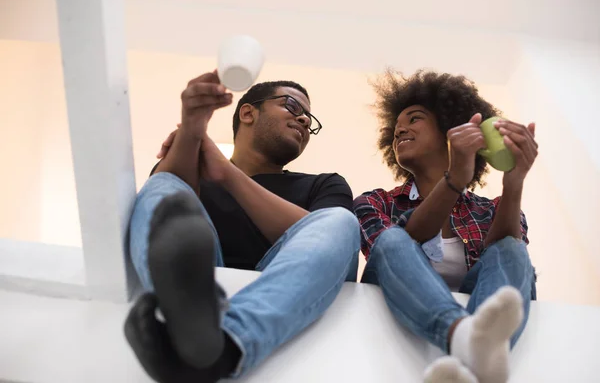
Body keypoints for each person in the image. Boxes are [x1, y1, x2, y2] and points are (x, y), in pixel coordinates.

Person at [124, 70, 360, 382]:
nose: (305, 121)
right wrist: (193, 126)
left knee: (341, 221)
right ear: (248, 112)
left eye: (310, 119)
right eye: (293, 107)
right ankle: (185, 317)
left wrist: (227, 174)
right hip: (206, 284)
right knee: (164, 185)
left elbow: (330, 241)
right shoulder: (194, 173)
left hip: (287, 285)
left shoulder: (324, 185)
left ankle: (228, 343)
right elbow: (167, 188)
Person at [354, 70, 538, 383]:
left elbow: (506, 258)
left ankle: (477, 357)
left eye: (413, 119)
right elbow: (397, 247)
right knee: (393, 240)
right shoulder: (375, 202)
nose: (400, 131)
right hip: (396, 300)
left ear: (450, 129)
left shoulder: (491, 208)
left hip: (472, 314)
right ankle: (464, 339)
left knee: (511, 248)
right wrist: (455, 178)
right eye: (396, 128)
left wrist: (514, 181)